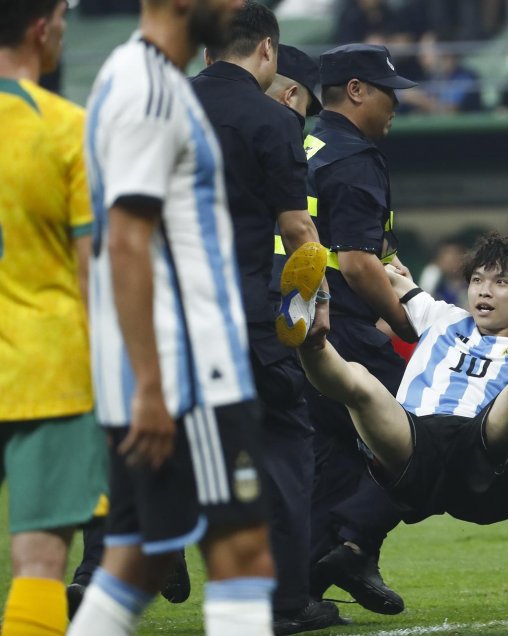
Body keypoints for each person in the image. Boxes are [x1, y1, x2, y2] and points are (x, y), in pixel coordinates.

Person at [68, 0, 279, 634]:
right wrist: (153, 388)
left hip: (169, 369)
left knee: (141, 559)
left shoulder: (142, 77)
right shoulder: (151, 89)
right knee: (242, 553)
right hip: (188, 374)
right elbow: (128, 242)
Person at [190, 5, 338, 634]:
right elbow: (296, 227)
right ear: (268, 51)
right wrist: (320, 300)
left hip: (164, 315)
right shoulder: (273, 121)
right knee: (281, 452)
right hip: (245, 320)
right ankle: (284, 603)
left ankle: (109, 573)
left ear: (203, 54)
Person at [291, 233, 508, 530]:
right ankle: (305, 333)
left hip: (483, 453)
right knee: (358, 380)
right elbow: (387, 275)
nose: (484, 290)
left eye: (501, 282)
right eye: (477, 280)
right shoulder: (441, 315)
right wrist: (387, 260)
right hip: (413, 444)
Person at [0, 2, 109, 634]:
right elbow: (94, 271)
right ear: (42, 28)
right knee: (39, 563)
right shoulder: (68, 128)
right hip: (47, 372)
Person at [304, 42, 418, 616]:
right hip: (338, 329)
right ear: (355, 90)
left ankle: (307, 585)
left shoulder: (302, 142)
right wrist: (413, 325)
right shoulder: (353, 155)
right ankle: (355, 545)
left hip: (291, 328)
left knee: (334, 458)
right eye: (387, 90)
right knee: (430, 435)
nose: (396, 103)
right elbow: (355, 262)